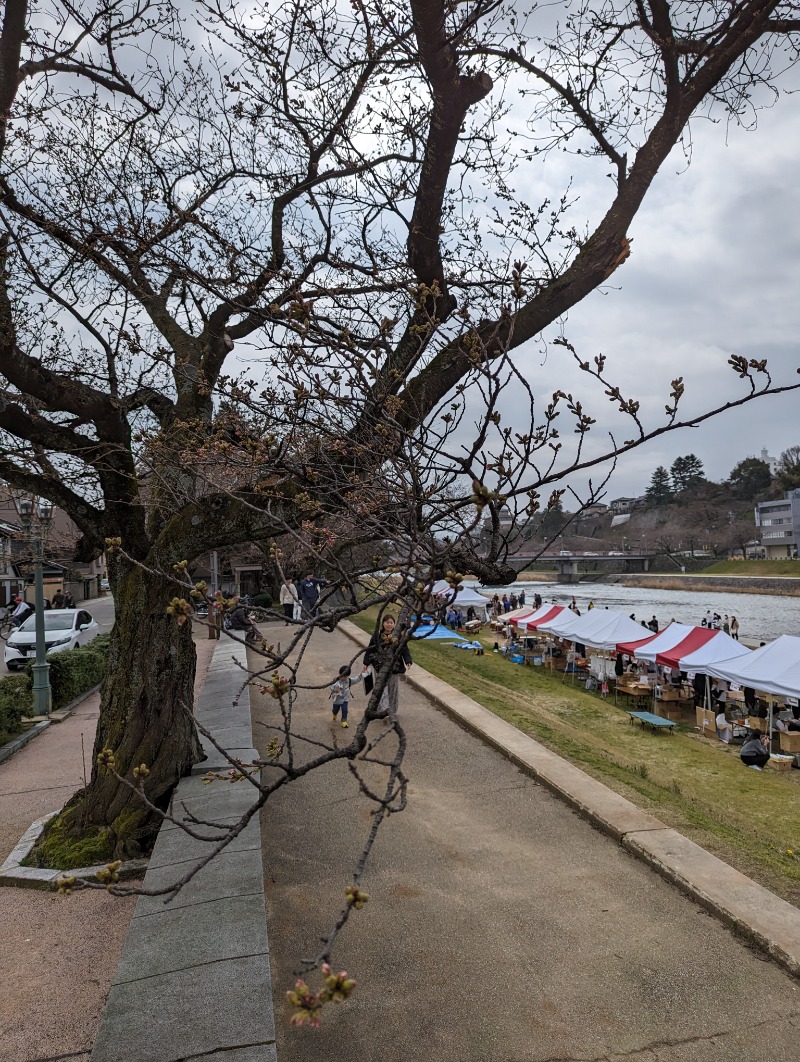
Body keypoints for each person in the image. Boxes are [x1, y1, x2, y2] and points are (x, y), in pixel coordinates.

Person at [363, 615, 412, 723]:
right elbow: (370, 649)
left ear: (394, 624)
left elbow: (404, 649)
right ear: (383, 623)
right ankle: (384, 713)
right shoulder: (377, 636)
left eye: (391, 622)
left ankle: (392, 712)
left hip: (394, 668)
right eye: (387, 622)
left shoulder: (398, 637)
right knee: (382, 691)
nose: (389, 624)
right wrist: (366, 662)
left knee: (392, 691)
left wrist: (408, 660)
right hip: (379, 668)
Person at [329, 664, 364, 729]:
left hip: (345, 699)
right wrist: (335, 690)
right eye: (342, 676)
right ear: (340, 674)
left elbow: (356, 679)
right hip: (336, 700)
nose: (344, 678)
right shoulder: (336, 681)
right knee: (335, 709)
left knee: (345, 710)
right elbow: (331, 687)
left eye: (345, 677)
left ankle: (344, 721)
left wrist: (362, 674)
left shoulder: (349, 681)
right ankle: (334, 714)